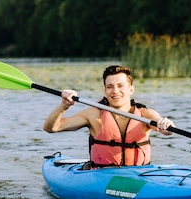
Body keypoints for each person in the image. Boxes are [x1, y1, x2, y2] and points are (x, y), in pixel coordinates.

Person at [43, 65, 174, 168]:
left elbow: (166, 130)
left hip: (139, 174)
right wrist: (63, 106)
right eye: (109, 87)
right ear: (105, 90)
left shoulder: (146, 114)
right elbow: (51, 128)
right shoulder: (93, 114)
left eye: (121, 86)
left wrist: (167, 126)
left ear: (131, 89)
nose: (115, 91)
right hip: (102, 175)